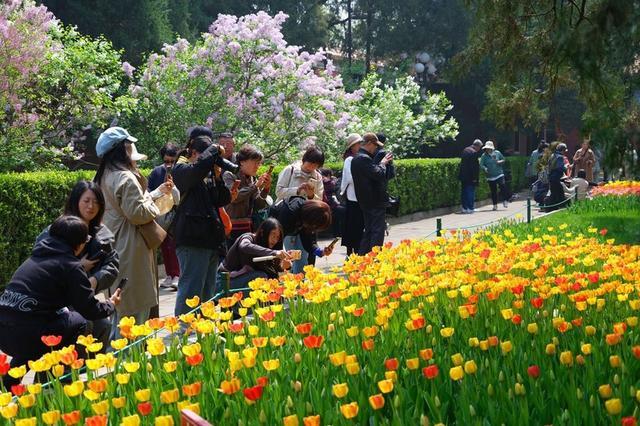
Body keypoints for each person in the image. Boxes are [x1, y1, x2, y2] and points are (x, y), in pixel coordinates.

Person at [0, 216, 120, 387]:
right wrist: (111, 304)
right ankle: (57, 380)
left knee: (42, 327)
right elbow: (89, 310)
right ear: (79, 244)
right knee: (79, 321)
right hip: (26, 334)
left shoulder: (33, 259)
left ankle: (11, 381)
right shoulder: (70, 265)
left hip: (4, 334)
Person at [94, 127, 172, 330]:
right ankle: (129, 358)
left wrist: (151, 195)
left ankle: (121, 357)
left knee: (119, 308)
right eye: (128, 145)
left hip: (113, 245)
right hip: (131, 247)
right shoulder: (125, 177)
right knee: (135, 313)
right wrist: (154, 201)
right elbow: (139, 214)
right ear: (121, 149)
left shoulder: (103, 176)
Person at [35, 180, 118, 347]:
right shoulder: (58, 228)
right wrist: (76, 267)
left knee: (104, 326)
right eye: (86, 201)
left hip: (82, 296)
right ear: (75, 201)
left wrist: (96, 280)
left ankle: (88, 369)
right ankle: (68, 368)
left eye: (96, 202)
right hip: (57, 300)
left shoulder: (101, 232)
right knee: (82, 328)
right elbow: (42, 259)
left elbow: (112, 263)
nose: (91, 206)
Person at [171, 127, 231, 316]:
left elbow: (222, 199)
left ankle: (204, 329)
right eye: (202, 153)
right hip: (192, 240)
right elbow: (191, 174)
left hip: (210, 240)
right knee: (191, 288)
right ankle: (182, 330)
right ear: (193, 152)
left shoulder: (206, 172)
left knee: (208, 290)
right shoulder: (181, 168)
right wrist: (211, 154)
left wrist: (218, 177)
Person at [275, 146, 325, 272]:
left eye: (315, 165)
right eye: (310, 163)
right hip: (287, 219)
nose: (311, 167)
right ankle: (288, 284)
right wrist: (297, 190)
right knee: (288, 255)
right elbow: (279, 192)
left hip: (305, 221)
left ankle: (300, 285)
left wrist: (310, 195)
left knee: (303, 255)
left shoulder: (317, 177)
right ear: (304, 159)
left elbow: (319, 202)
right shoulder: (290, 170)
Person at [220, 218, 292, 290]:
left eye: (277, 237)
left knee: (270, 280)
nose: (275, 240)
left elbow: (271, 272)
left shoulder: (269, 248)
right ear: (262, 232)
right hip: (224, 281)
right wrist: (274, 253)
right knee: (261, 277)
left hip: (240, 281)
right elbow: (244, 246)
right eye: (273, 235)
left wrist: (282, 267)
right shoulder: (248, 237)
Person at [351, 132, 393, 255]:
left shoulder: (357, 158)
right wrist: (383, 163)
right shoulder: (363, 158)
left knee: (369, 230)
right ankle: (374, 258)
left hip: (365, 200)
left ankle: (363, 258)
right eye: (375, 145)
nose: (376, 148)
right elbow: (378, 174)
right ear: (369, 143)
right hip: (374, 200)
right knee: (377, 231)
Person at [268, 197, 333, 272]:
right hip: (271, 227)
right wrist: (280, 258)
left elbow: (309, 243)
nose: (314, 230)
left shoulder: (307, 215)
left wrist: (322, 252)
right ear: (311, 220)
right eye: (315, 227)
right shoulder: (289, 213)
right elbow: (274, 242)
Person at [222, 145, 272, 243]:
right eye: (255, 162)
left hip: (247, 227)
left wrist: (266, 188)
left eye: (259, 163)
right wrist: (255, 186)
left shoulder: (252, 179)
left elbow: (258, 205)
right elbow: (234, 197)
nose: (257, 166)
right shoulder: (229, 175)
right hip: (231, 227)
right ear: (242, 162)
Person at [148, 143, 181, 291]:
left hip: (176, 212)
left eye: (172, 161)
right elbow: (148, 191)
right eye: (166, 161)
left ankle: (177, 275)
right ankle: (169, 275)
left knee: (174, 245)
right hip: (160, 213)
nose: (169, 164)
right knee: (164, 244)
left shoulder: (180, 171)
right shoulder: (156, 172)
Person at [340, 133, 364, 256]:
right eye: (358, 144)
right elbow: (350, 178)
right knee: (353, 225)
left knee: (358, 225)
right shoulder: (350, 159)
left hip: (359, 197)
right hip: (353, 197)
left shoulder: (360, 157)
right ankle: (351, 252)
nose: (360, 145)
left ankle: (357, 251)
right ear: (352, 146)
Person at [479, 141, 509, 210]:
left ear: (492, 148)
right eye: (486, 148)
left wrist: (499, 161)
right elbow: (481, 164)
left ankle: (505, 200)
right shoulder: (484, 156)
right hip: (490, 176)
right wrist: (485, 168)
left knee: (503, 186)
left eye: (489, 148)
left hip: (499, 174)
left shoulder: (497, 153)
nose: (488, 150)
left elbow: (503, 159)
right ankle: (495, 205)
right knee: (493, 191)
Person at [458, 139, 483, 213]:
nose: (480, 149)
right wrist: (475, 177)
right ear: (477, 146)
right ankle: (470, 208)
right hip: (470, 176)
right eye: (480, 147)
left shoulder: (465, 150)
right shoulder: (474, 152)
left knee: (464, 192)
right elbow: (474, 167)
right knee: (470, 192)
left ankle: (464, 208)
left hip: (463, 175)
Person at [320, 168, 344, 238]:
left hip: (331, 204)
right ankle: (337, 233)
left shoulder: (332, 182)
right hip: (326, 204)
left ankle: (338, 233)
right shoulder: (323, 182)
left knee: (340, 212)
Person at [546, 142, 569, 211]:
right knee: (557, 192)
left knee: (557, 191)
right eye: (564, 150)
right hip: (556, 177)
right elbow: (559, 167)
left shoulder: (553, 155)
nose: (565, 152)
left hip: (551, 177)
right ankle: (550, 207)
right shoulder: (560, 157)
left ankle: (554, 206)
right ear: (562, 150)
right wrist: (566, 167)